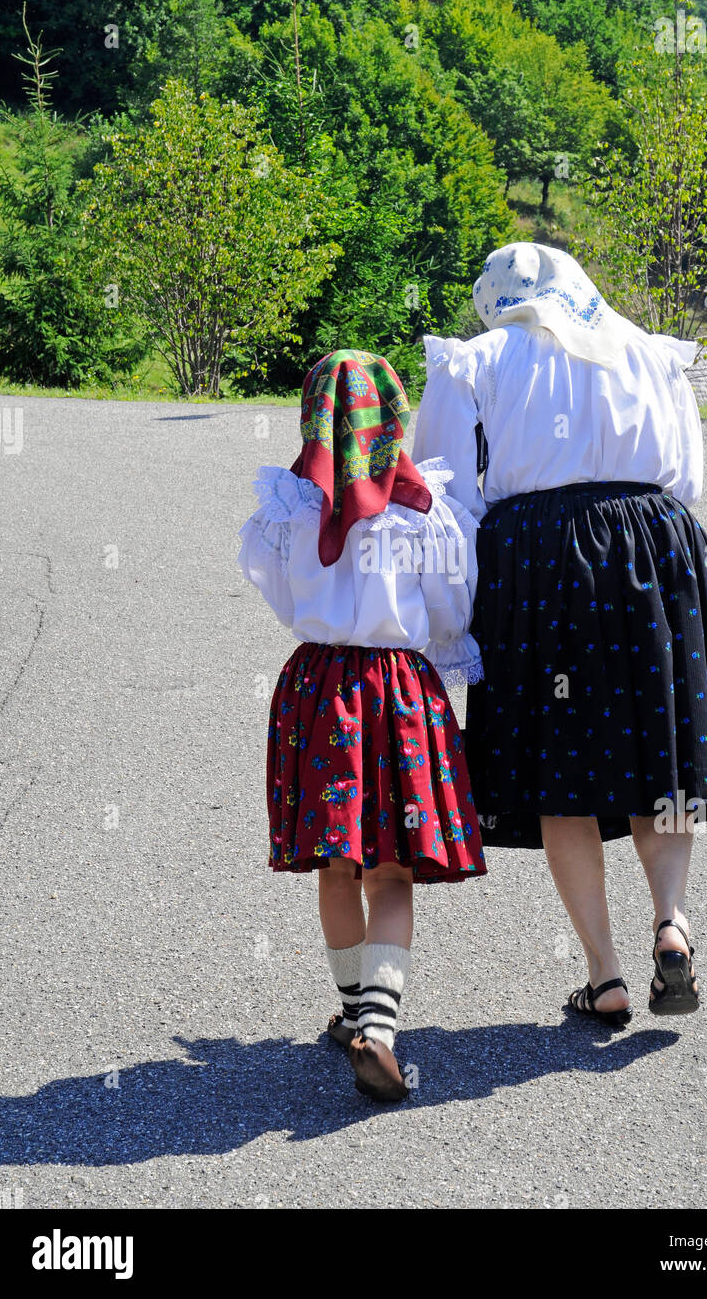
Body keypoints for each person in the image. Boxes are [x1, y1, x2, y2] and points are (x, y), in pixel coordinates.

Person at [412, 242, 707, 1025]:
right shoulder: (646, 352)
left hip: (538, 557)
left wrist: (451, 609)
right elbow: (686, 479)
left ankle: (604, 973)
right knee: (660, 749)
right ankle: (670, 920)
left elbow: (437, 493)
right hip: (654, 543)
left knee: (557, 762)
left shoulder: (475, 361)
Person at [237, 349, 486, 1101]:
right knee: (393, 867)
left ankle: (351, 1013)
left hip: (318, 689)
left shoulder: (286, 505)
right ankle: (379, 1023)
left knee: (337, 858)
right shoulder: (423, 507)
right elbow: (451, 609)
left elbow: (278, 595)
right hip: (399, 692)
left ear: (311, 415)